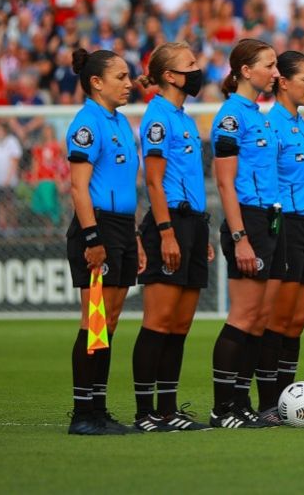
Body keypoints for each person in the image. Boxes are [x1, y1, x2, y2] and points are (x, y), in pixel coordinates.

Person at [131, 42, 213, 432]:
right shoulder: (158, 117)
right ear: (169, 75)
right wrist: (166, 233)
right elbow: (154, 180)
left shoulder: (183, 116)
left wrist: (201, 229)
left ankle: (167, 409)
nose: (197, 70)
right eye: (190, 65)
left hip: (193, 222)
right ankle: (145, 412)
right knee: (158, 322)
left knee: (180, 325)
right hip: (170, 224)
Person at [64, 48, 145, 435]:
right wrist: (92, 237)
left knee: (109, 323)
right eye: (121, 77)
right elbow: (79, 188)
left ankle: (98, 409)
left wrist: (134, 236)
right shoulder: (87, 123)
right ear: (96, 82)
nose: (129, 84)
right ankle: (83, 414)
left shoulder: (121, 122)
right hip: (96, 228)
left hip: (122, 226)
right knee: (94, 320)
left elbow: (125, 186)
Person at [209, 38, 282, 428]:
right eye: (268, 65)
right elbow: (225, 183)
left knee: (257, 318)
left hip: (266, 219)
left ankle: (240, 402)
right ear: (245, 70)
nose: (275, 72)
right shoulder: (231, 117)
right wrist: (240, 237)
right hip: (247, 222)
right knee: (242, 316)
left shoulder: (257, 113)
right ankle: (222, 408)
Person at [255, 51, 304, 422]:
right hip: (284, 226)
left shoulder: (303, 124)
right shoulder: (271, 126)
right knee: (277, 321)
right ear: (283, 81)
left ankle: (287, 403)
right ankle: (267, 404)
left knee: (296, 322)